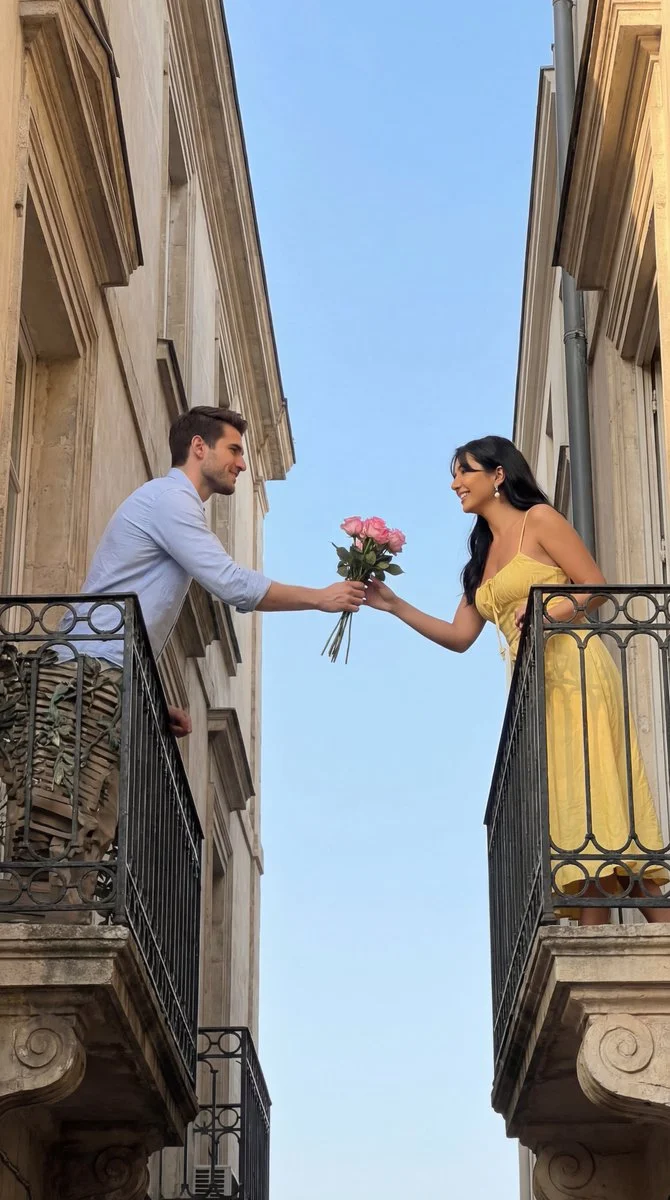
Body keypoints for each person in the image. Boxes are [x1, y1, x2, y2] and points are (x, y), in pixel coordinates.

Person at [365, 434, 670, 926]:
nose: (455, 482)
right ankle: (592, 943)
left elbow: (594, 585)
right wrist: (393, 604)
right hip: (531, 691)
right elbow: (460, 634)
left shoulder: (540, 521)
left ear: (498, 475)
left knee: (601, 801)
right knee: (571, 815)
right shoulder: (481, 558)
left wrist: (550, 607)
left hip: (576, 671)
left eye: (464, 471)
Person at [73, 405, 366, 736]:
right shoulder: (172, 499)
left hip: (100, 674)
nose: (241, 464)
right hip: (89, 674)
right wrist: (320, 598)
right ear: (199, 447)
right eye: (234, 450)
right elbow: (231, 583)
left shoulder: (172, 501)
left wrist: (149, 699)